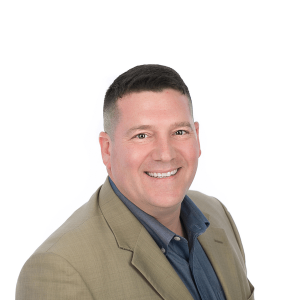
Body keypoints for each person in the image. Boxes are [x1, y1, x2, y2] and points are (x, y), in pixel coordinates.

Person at [16, 64, 254, 300]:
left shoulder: (217, 214)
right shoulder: (59, 269)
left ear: (197, 138)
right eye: (142, 135)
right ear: (107, 150)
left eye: (180, 132)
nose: (165, 154)